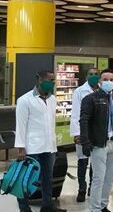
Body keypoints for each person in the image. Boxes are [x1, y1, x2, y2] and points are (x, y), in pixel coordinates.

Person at [15, 70, 66, 212]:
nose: (52, 83)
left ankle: (47, 206)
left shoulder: (52, 99)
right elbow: (20, 125)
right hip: (32, 148)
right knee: (26, 180)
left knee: (47, 179)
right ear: (39, 80)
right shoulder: (24, 100)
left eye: (53, 80)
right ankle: (24, 208)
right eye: (50, 80)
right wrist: (20, 148)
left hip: (49, 147)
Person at [80, 69, 113, 212]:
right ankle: (95, 208)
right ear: (100, 82)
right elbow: (84, 120)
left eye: (112, 80)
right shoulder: (90, 99)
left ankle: (103, 205)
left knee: (109, 178)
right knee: (98, 178)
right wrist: (85, 141)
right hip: (99, 143)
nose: (109, 82)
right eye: (105, 79)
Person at [70, 68, 99, 202]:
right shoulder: (80, 91)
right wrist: (76, 133)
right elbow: (75, 113)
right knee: (82, 161)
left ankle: (92, 188)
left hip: (97, 132)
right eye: (91, 74)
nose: (94, 76)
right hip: (83, 131)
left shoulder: (102, 91)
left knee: (95, 162)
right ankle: (81, 188)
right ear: (87, 76)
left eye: (96, 74)